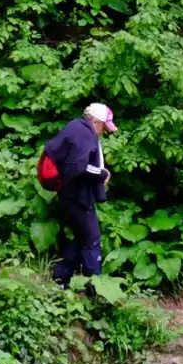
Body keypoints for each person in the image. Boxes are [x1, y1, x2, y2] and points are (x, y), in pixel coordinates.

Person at [44, 102, 116, 284]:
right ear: (97, 122)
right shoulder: (85, 134)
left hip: (67, 194)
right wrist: (102, 173)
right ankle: (95, 287)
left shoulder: (75, 126)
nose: (103, 132)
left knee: (81, 237)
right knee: (92, 239)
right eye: (103, 128)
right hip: (78, 197)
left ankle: (60, 278)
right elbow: (79, 166)